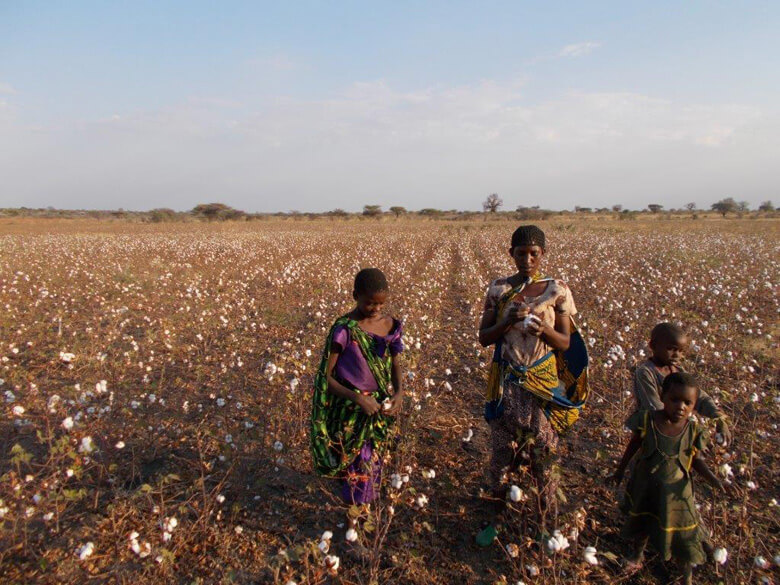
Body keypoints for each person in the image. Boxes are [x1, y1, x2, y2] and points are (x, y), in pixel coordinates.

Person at [476, 225, 589, 545]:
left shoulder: (557, 290)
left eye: (533, 253)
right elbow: (485, 338)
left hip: (541, 384)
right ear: (510, 252)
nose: (527, 259)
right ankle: (496, 516)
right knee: (502, 452)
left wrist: (543, 331)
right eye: (520, 253)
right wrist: (507, 321)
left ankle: (543, 520)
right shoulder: (498, 289)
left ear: (542, 254)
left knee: (543, 452)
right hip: (507, 385)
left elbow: (565, 342)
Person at [310, 268, 404, 544]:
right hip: (351, 413)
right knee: (357, 469)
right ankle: (353, 531)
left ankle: (360, 518)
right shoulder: (343, 330)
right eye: (369, 303)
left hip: (378, 410)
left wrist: (399, 392)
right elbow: (325, 378)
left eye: (380, 304)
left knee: (372, 466)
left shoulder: (391, 325)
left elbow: (396, 364)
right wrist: (358, 398)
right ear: (355, 297)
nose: (375, 309)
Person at [609, 372, 726, 585]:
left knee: (684, 538)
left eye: (688, 403)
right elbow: (633, 446)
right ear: (662, 397)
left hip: (677, 493)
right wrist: (619, 471)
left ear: (693, 406)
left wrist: (713, 479)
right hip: (646, 488)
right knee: (642, 523)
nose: (681, 406)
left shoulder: (693, 431)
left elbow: (697, 461)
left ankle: (686, 578)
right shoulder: (648, 420)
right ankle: (637, 556)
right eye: (675, 400)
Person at [634, 322, 731, 445]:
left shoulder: (679, 371)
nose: (677, 355)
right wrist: (686, 426)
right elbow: (654, 406)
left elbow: (699, 396)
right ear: (652, 346)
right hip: (651, 433)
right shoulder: (645, 373)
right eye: (671, 349)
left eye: (680, 351)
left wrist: (718, 418)